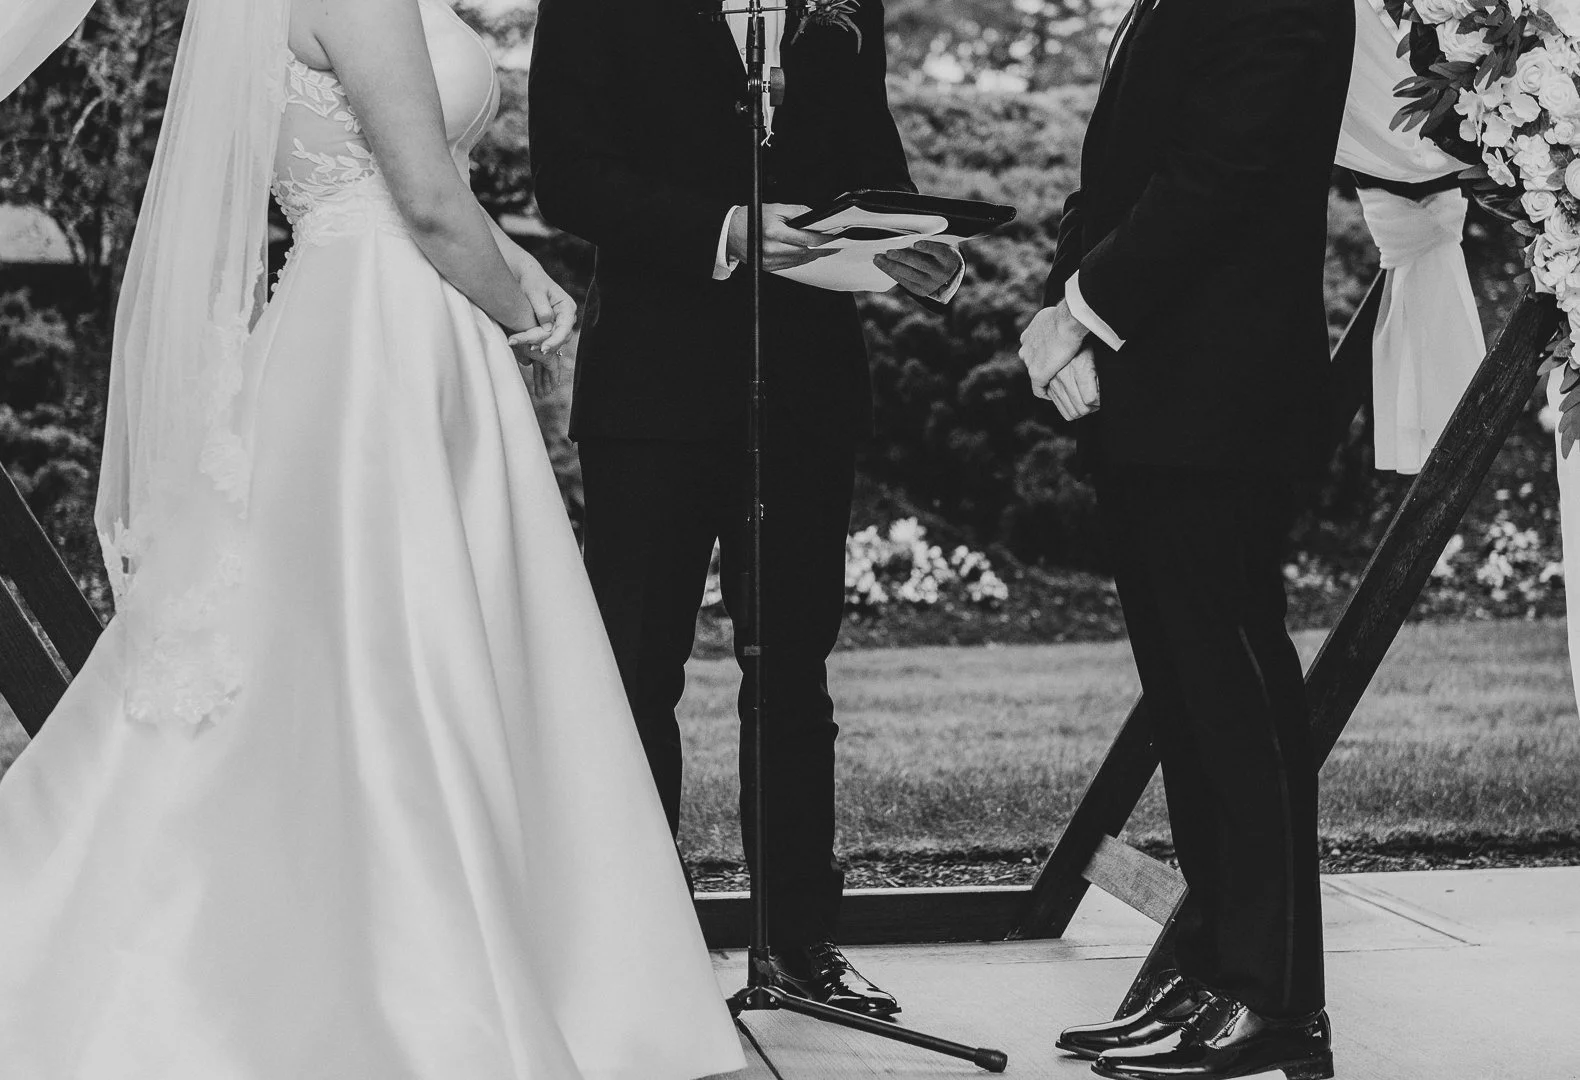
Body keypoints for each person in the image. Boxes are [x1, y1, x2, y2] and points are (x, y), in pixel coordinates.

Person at [0, 0, 744, 1076]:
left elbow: (422, 183)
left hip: (367, 314)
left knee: (351, 650)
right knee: (397, 646)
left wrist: (518, 270)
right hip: (387, 338)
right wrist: (527, 315)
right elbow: (428, 206)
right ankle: (404, 974)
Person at [528, 0, 963, 1018]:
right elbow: (569, 176)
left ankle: (799, 944)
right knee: (636, 669)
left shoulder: (842, 4)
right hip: (651, 385)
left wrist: (913, 241)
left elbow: (870, 158)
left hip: (806, 387)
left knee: (793, 669)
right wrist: (725, 229)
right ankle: (634, 944)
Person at [1017, 0, 1355, 1077]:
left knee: (1236, 699)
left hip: (1223, 397)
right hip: (1149, 393)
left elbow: (1218, 176)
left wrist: (1079, 312)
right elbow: (1109, 177)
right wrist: (1062, 314)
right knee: (1186, 700)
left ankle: (1277, 999)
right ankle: (1209, 974)